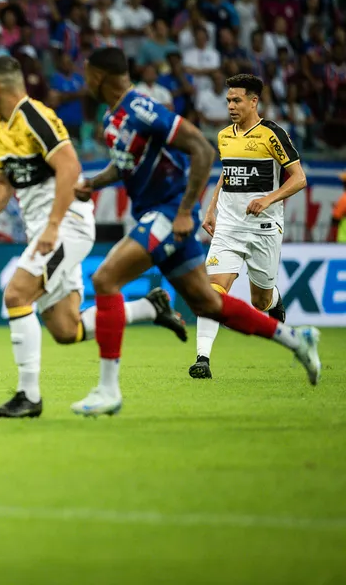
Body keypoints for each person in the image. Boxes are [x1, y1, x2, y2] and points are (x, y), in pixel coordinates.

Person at [73, 48, 320, 416]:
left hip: (172, 213)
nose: (85, 81)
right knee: (209, 300)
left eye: (87, 74)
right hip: (202, 220)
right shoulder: (114, 118)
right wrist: (94, 183)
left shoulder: (143, 109)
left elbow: (200, 151)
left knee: (106, 278)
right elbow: (124, 165)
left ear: (98, 77)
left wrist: (186, 210)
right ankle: (296, 340)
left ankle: (108, 389)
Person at [0, 56, 185, 419]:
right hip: (46, 226)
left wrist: (52, 226)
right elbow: (5, 182)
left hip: (66, 224)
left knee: (17, 294)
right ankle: (150, 307)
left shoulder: (34, 116)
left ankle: (28, 396)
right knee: (66, 330)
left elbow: (70, 166)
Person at [193, 74, 306, 378]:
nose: (230, 105)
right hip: (229, 226)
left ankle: (274, 299)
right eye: (228, 100)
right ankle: (202, 358)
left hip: (264, 227)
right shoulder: (224, 136)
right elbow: (228, 172)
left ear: (253, 101)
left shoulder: (272, 134)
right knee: (212, 290)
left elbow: (299, 178)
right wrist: (212, 206)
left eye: (236, 100)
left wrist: (269, 198)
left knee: (260, 300)